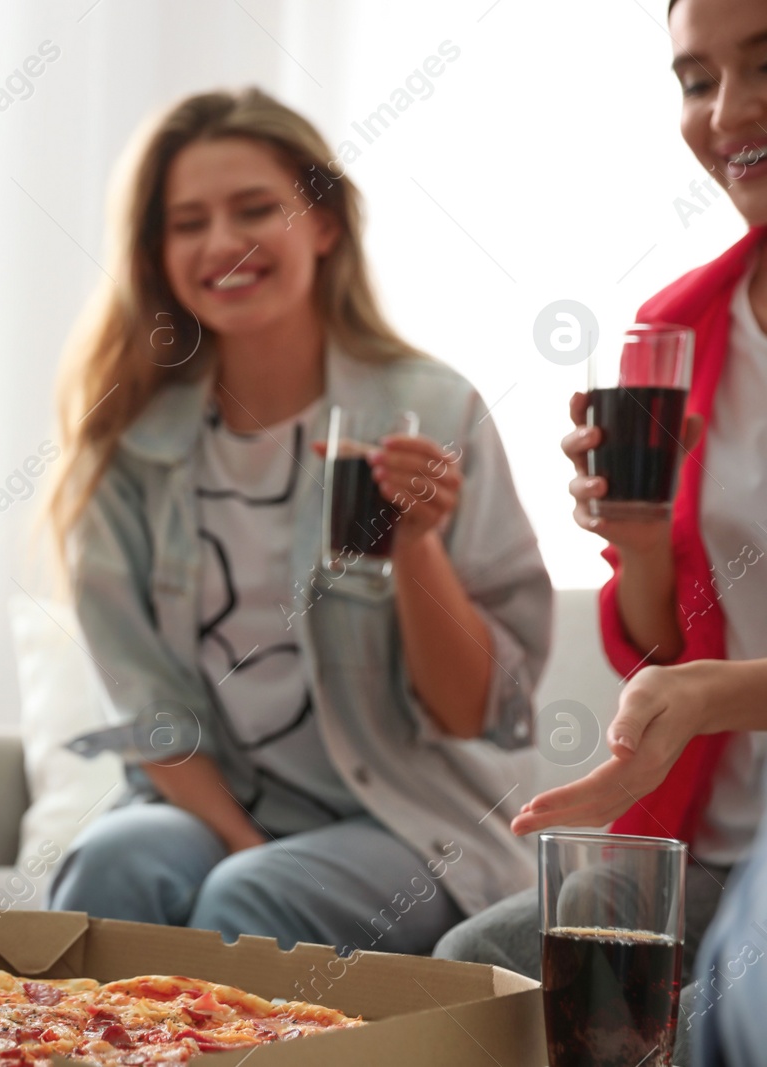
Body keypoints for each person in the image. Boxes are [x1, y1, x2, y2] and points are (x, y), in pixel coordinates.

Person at [44, 88, 552, 957]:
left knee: (254, 897)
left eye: (253, 210)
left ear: (323, 224)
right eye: (186, 222)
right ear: (157, 254)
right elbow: (149, 713)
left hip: (404, 817)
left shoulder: (431, 408)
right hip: (214, 804)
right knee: (112, 867)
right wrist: (242, 840)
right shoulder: (131, 448)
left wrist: (416, 545)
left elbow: (474, 709)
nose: (220, 244)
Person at [436, 0, 767, 1059]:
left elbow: (700, 683)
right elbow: (667, 646)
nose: (728, 111)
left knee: (723, 994)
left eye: (764, 65)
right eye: (695, 78)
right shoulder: (680, 324)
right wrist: (640, 536)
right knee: (463, 983)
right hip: (713, 835)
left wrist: (719, 691)